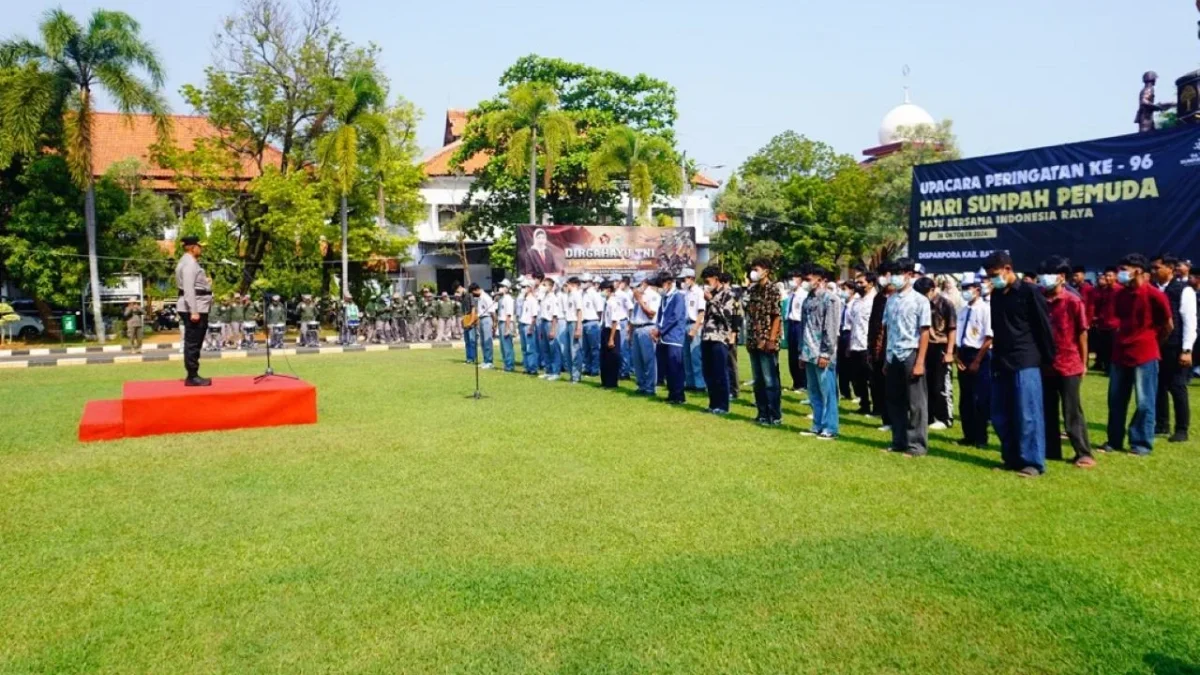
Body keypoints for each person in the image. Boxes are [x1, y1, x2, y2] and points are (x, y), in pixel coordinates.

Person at [984, 251, 1055, 477]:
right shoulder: (996, 294)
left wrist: (1048, 360)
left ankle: (1033, 462)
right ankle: (1011, 458)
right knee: (1000, 414)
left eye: (995, 274)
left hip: (1026, 360)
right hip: (1002, 360)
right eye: (989, 276)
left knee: (1028, 414)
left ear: (1007, 269)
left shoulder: (1029, 292)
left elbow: (1044, 328)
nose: (992, 279)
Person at [1102, 253, 1173, 456]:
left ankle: (1141, 443)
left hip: (1145, 354)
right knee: (1116, 400)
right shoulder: (1119, 294)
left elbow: (1168, 325)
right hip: (1120, 354)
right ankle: (1114, 440)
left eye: (1125, 269)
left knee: (1144, 402)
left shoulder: (1154, 295)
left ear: (1138, 271)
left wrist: (1153, 343)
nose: (1120, 274)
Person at [1040, 257, 1095, 468]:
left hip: (1069, 363)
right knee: (1048, 409)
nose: (1044, 279)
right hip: (1046, 364)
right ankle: (1051, 449)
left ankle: (1083, 452)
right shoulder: (1041, 299)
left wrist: (1084, 362)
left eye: (1049, 274)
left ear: (1061, 277)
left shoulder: (1073, 301)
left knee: (1072, 410)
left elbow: (1082, 332)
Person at [882, 258, 931, 457]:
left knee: (916, 403)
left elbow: (925, 332)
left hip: (911, 353)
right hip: (893, 354)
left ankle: (916, 445)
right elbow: (888, 329)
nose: (895, 277)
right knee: (895, 401)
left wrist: (920, 362)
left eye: (899, 273)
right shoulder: (891, 299)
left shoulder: (920, 300)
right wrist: (886, 358)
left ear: (909, 275)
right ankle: (899, 441)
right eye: (893, 273)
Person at [1151, 254, 1195, 443]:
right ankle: (1161, 424)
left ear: (1170, 268)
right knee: (1158, 386)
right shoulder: (1153, 289)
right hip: (1156, 345)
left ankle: (1181, 428)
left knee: (1177, 387)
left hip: (1175, 346)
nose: (1153, 271)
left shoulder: (1183, 290)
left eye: (1157, 267)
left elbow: (1190, 322)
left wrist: (1186, 350)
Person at [799, 265, 841, 440]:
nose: (805, 283)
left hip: (822, 354)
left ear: (821, 280)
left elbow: (830, 329)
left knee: (828, 393)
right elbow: (803, 328)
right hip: (808, 352)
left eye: (809, 279)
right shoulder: (807, 300)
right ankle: (817, 424)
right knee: (813, 392)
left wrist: (826, 353)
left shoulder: (830, 300)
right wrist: (801, 352)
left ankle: (830, 428)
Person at [955, 274, 993, 449]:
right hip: (963, 354)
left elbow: (988, 337)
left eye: (968, 288)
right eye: (963, 288)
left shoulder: (985, 309)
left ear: (977, 289)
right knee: (966, 399)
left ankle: (981, 437)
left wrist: (977, 360)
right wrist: (956, 356)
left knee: (980, 398)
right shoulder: (962, 311)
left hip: (979, 354)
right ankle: (968, 435)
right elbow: (957, 336)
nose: (965, 292)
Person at [745, 258, 783, 425]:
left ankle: (774, 414)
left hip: (768, 341)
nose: (754, 272)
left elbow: (776, 316)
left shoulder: (773, 290)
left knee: (770, 380)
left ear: (766, 271)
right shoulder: (753, 290)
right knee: (758, 380)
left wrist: (771, 339)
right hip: (753, 339)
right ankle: (762, 413)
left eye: (757, 268)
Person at [916, 277, 956, 430]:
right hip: (925, 347)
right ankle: (930, 416)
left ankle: (945, 417)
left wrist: (950, 351)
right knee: (927, 384)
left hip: (941, 346)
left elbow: (952, 329)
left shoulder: (945, 304)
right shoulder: (921, 304)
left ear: (932, 290)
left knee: (941, 385)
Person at [174, 235, 213, 386]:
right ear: (192, 247)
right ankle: (192, 375)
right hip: (195, 307)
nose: (201, 248)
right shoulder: (190, 264)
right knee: (193, 342)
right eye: (199, 246)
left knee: (194, 342)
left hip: (197, 305)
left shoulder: (187, 262)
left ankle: (193, 374)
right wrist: (194, 311)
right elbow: (189, 289)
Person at [699, 266, 734, 414]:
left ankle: (723, 405)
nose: (707, 284)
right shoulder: (710, 294)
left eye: (708, 281)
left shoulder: (727, 295)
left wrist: (712, 300)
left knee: (720, 373)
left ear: (716, 279)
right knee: (709, 372)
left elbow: (726, 316)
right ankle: (713, 403)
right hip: (707, 337)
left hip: (719, 337)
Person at [653, 273, 687, 404]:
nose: (660, 288)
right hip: (664, 337)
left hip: (674, 337)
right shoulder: (664, 298)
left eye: (661, 285)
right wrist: (656, 329)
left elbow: (675, 317)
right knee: (667, 367)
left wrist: (660, 330)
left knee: (675, 367)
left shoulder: (678, 297)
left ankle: (679, 395)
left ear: (668, 283)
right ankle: (671, 393)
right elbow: (660, 316)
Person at [868, 262, 894, 429]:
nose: (882, 279)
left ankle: (894, 420)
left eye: (885, 274)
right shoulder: (878, 298)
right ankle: (885, 417)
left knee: (893, 386)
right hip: (877, 348)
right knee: (879, 384)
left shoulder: (898, 297)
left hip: (893, 348)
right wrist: (871, 348)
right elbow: (873, 324)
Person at [846, 272, 875, 415]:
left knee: (872, 378)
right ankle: (864, 405)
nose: (858, 285)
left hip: (867, 345)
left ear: (870, 283)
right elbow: (852, 324)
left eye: (861, 282)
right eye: (857, 282)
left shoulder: (874, 300)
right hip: (855, 344)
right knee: (858, 378)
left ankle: (877, 407)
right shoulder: (856, 302)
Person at [628, 272, 661, 395]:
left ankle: (650, 387)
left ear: (644, 282)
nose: (635, 288)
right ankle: (641, 385)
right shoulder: (637, 296)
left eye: (638, 285)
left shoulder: (653, 295)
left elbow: (651, 313)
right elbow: (633, 315)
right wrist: (630, 332)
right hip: (636, 327)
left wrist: (640, 300)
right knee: (637, 360)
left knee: (649, 359)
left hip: (647, 327)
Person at [1090, 267, 1121, 372]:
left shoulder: (1119, 290)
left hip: (1115, 324)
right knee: (1105, 349)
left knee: (1114, 349)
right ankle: (1107, 368)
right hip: (1103, 324)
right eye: (1106, 276)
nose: (1107, 278)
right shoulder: (1104, 291)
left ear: (1116, 277)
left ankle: (1113, 369)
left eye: (1110, 275)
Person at [682, 268, 707, 392]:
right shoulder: (685, 292)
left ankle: (700, 383)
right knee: (686, 355)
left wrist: (695, 329)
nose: (683, 281)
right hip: (685, 324)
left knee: (695, 356)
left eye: (685, 278)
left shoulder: (698, 292)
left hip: (695, 324)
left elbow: (701, 312)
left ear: (692, 278)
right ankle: (689, 382)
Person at [783, 269, 808, 394]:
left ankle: (802, 383)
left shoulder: (803, 294)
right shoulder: (791, 294)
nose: (791, 281)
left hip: (799, 324)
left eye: (794, 278)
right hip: (791, 323)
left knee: (799, 354)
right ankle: (796, 382)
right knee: (791, 355)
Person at [599, 279, 626, 388]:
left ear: (609, 290)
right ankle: (605, 381)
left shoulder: (613, 303)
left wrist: (611, 338)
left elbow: (615, 321)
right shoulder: (606, 302)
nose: (601, 292)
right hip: (605, 330)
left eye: (603, 290)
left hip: (612, 331)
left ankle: (612, 382)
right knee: (604, 357)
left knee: (612, 358)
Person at [538, 277, 564, 381]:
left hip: (550, 323)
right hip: (543, 322)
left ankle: (556, 371)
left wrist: (553, 329)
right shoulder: (544, 297)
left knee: (553, 348)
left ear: (551, 286)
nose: (543, 287)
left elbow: (554, 316)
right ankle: (548, 370)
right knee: (545, 348)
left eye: (545, 285)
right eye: (543, 284)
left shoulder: (554, 298)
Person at [723, 273, 743, 399]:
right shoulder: (721, 296)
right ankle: (726, 387)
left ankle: (734, 390)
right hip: (720, 333)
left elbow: (737, 316)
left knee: (731, 362)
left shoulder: (734, 298)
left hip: (731, 333)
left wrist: (734, 334)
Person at [580, 274, 603, 377]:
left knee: (594, 348)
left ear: (590, 282)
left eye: (585, 282)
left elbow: (599, 310)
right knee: (586, 348)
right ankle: (587, 367)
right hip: (584, 322)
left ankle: (595, 369)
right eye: (582, 282)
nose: (583, 284)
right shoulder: (582, 293)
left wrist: (597, 322)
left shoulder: (594, 293)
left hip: (592, 322)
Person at [562, 277, 583, 383]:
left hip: (574, 323)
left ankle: (576, 375)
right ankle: (572, 374)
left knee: (575, 350)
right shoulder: (569, 295)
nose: (567, 287)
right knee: (568, 351)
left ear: (573, 284)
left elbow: (579, 311)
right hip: (568, 322)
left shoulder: (576, 294)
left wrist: (578, 328)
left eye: (568, 285)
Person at [471, 283, 495, 369]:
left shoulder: (486, 297)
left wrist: (494, 323)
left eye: (473, 292)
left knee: (487, 341)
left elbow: (492, 311)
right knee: (482, 341)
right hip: (481, 318)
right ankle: (485, 360)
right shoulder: (479, 298)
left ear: (476, 290)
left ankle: (489, 361)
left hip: (487, 318)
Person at [519, 281, 540, 375]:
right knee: (524, 348)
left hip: (528, 325)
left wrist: (531, 327)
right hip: (522, 323)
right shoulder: (524, 299)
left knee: (530, 348)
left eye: (525, 287)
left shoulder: (533, 300)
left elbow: (534, 316)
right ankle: (526, 367)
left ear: (530, 288)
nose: (523, 289)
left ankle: (533, 368)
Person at [616, 276, 635, 379]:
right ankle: (619, 370)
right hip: (614, 323)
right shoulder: (612, 295)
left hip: (623, 321)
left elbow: (631, 308)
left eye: (616, 281)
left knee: (624, 347)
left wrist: (629, 323)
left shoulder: (623, 295)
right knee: (617, 348)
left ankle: (625, 371)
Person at [496, 280, 516, 372]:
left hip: (506, 322)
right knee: (503, 345)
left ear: (507, 288)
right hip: (501, 322)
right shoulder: (501, 299)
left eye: (502, 286)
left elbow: (509, 314)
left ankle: (509, 365)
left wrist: (508, 328)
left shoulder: (508, 299)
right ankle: (506, 364)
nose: (500, 288)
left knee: (507, 345)